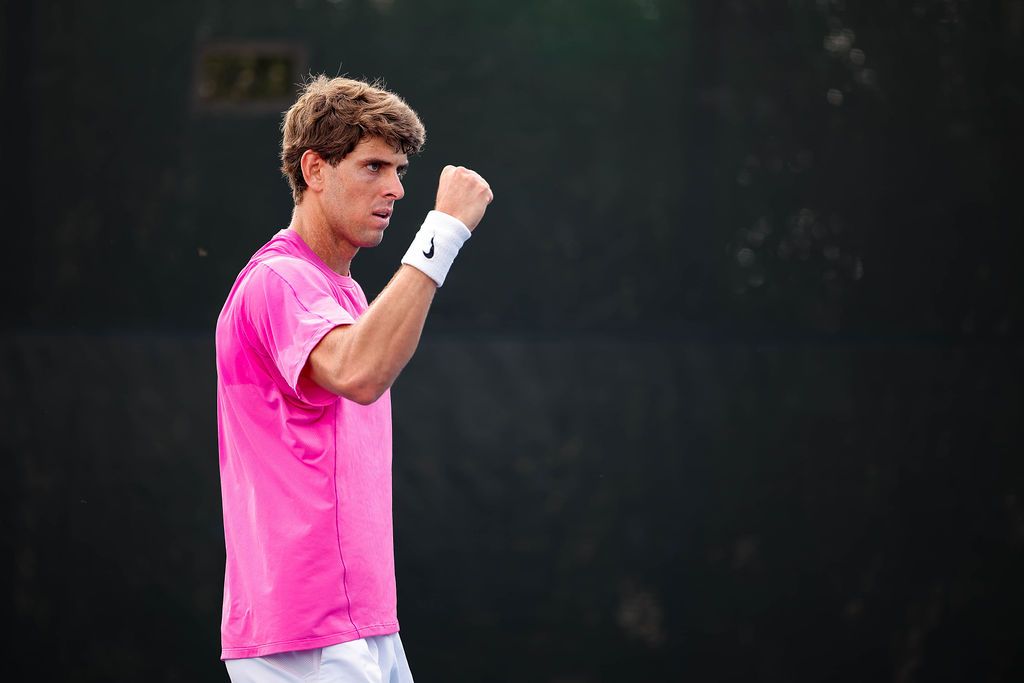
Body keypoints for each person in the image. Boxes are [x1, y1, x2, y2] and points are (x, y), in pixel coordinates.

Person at [215, 75, 493, 683]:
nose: (395, 188)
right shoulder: (277, 280)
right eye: (373, 166)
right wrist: (443, 231)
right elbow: (359, 372)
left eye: (398, 170)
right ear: (315, 170)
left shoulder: (342, 292)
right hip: (306, 635)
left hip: (359, 624)